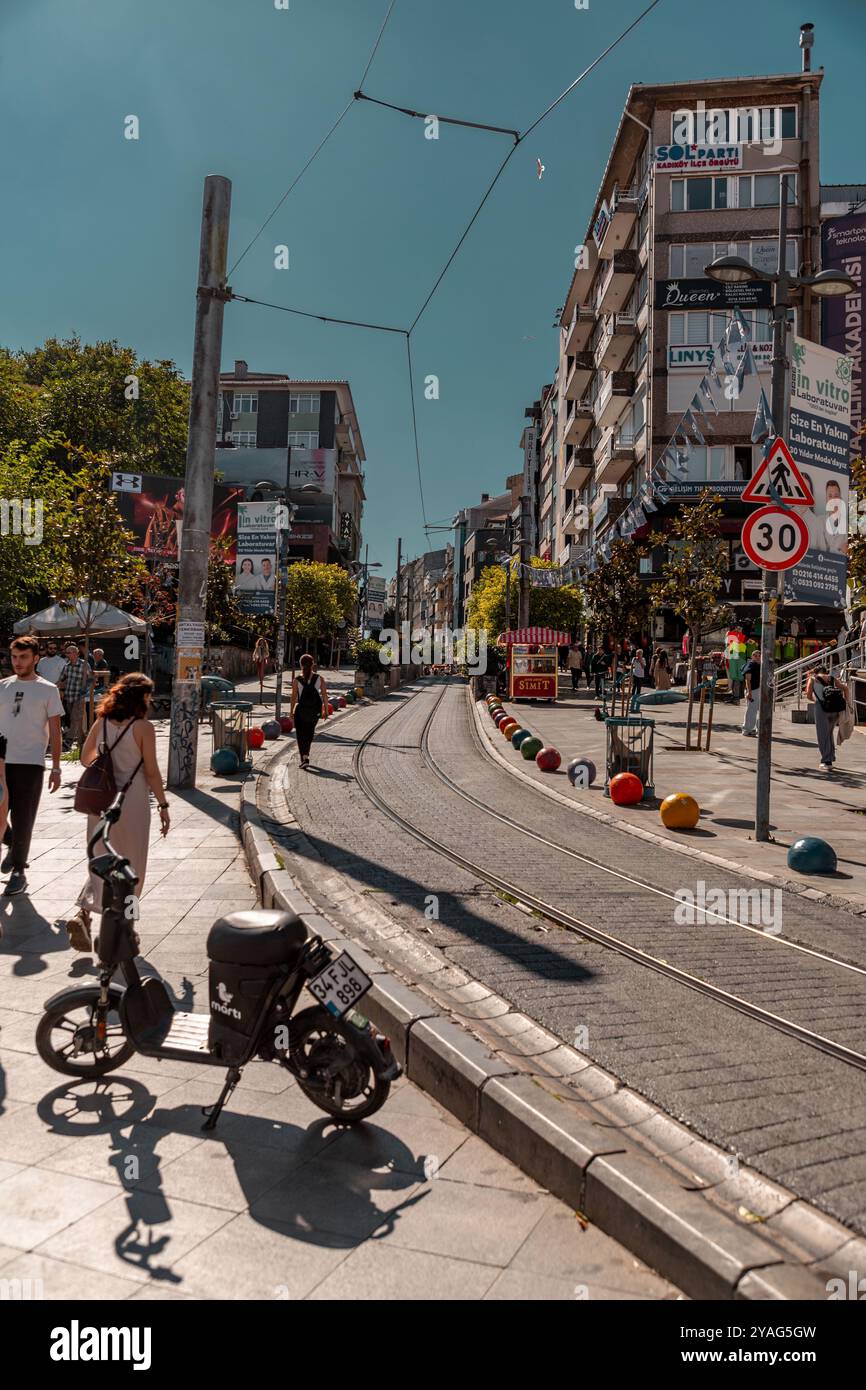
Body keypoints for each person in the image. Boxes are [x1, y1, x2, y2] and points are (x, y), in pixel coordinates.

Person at [64, 672, 170, 951]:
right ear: (142, 697)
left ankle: (83, 914)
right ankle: (128, 929)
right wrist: (162, 804)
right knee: (134, 866)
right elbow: (151, 772)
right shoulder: (144, 728)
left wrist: (107, 756)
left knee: (101, 860)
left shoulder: (102, 721)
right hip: (132, 802)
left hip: (102, 801)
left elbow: (86, 758)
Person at [0, 636, 63, 896]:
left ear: (35, 658)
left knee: (23, 817)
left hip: (30, 762)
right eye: (14, 657)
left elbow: (56, 732)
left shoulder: (48, 689)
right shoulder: (2, 686)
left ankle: (19, 871)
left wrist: (57, 767)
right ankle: (14, 845)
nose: (18, 662)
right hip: (1, 762)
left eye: (23, 657)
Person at [805, 667, 849, 774]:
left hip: (821, 709)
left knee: (822, 734)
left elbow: (809, 695)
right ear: (825, 672)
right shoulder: (832, 678)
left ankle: (826, 761)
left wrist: (817, 701)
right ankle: (831, 756)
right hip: (835, 709)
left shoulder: (812, 679)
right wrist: (846, 703)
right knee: (829, 733)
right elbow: (845, 689)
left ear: (816, 672)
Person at [290, 654, 328, 770]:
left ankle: (304, 758)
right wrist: (325, 710)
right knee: (309, 734)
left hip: (301, 711)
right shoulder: (319, 678)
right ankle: (306, 756)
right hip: (314, 711)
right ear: (312, 665)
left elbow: (293, 698)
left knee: (301, 735)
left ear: (301, 665)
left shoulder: (297, 680)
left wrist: (291, 712)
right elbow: (325, 696)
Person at [57, 642, 93, 748]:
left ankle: (68, 741)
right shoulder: (67, 666)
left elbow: (91, 679)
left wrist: (83, 691)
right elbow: (61, 680)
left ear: (76, 653)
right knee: (76, 720)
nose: (67, 654)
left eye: (69, 652)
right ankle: (83, 741)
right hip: (68, 697)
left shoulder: (84, 664)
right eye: (66, 652)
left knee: (74, 718)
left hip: (79, 697)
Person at [741, 649, 761, 736]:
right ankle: (746, 729)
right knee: (751, 710)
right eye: (755, 655)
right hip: (753, 690)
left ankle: (759, 730)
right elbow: (747, 679)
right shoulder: (750, 665)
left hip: (760, 689)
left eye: (759, 656)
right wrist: (749, 692)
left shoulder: (759, 665)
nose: (757, 657)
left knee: (761, 711)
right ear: (752, 656)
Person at [253, 636, 270, 703]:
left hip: (263, 660)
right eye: (260, 641)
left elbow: (267, 654)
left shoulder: (265, 648)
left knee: (262, 670)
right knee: (259, 670)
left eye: (262, 641)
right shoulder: (257, 647)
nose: (261, 642)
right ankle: (260, 680)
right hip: (258, 660)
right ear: (259, 642)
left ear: (264, 642)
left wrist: (264, 656)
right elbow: (254, 653)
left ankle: (261, 680)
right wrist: (255, 658)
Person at [630, 647, 646, 712]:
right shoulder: (634, 659)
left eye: (639, 654)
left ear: (641, 654)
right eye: (637, 654)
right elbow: (631, 666)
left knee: (639, 689)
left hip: (641, 676)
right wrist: (631, 675)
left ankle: (637, 705)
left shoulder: (643, 659)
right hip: (635, 675)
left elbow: (643, 667)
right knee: (634, 688)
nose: (638, 655)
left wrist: (640, 661)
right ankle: (632, 703)